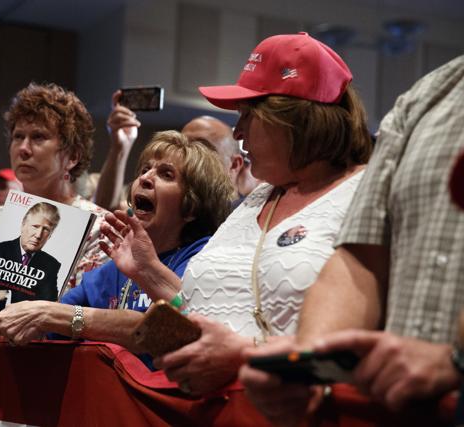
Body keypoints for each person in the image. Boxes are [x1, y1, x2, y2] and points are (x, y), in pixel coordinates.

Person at [127, 32, 372, 396]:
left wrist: (246, 358)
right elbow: (200, 304)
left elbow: (360, 347)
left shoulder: (364, 195)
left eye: (247, 116)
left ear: (293, 121)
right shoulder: (259, 198)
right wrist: (150, 274)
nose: (238, 132)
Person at [239, 55, 464, 423]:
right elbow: (359, 259)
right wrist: (308, 370)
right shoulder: (427, 96)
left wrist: (456, 360)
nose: (238, 132)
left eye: (250, 115)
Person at [0, 130, 233, 348]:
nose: (146, 178)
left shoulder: (201, 259)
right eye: (144, 169)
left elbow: (157, 328)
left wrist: (54, 316)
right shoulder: (114, 265)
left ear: (192, 207)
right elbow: (47, 322)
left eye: (166, 174)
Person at [0, 82, 108, 299]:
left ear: (72, 156)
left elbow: (87, 310)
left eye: (38, 137)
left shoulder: (99, 227)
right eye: (18, 137)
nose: (24, 149)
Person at [94, 92, 257, 212]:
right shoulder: (174, 207)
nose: (188, 156)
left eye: (202, 148)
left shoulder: (245, 218)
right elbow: (108, 211)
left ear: (235, 164)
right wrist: (120, 147)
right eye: (183, 147)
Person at [0, 202, 61, 305]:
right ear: (23, 225)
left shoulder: (52, 265)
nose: (38, 235)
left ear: (51, 234)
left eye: (46, 229)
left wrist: (8, 294)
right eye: (35, 226)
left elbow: (48, 305)